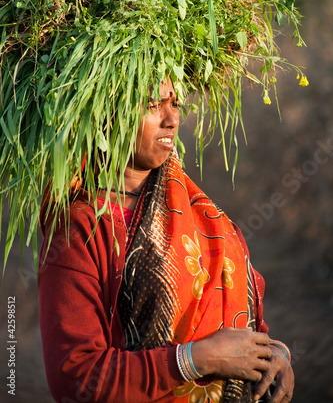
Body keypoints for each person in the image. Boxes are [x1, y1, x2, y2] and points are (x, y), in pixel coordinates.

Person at [38, 78, 294, 403]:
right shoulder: (79, 229)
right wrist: (195, 360)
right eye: (151, 106)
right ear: (103, 117)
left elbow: (235, 320)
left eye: (173, 103)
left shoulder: (191, 207)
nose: (171, 119)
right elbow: (75, 378)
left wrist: (274, 354)